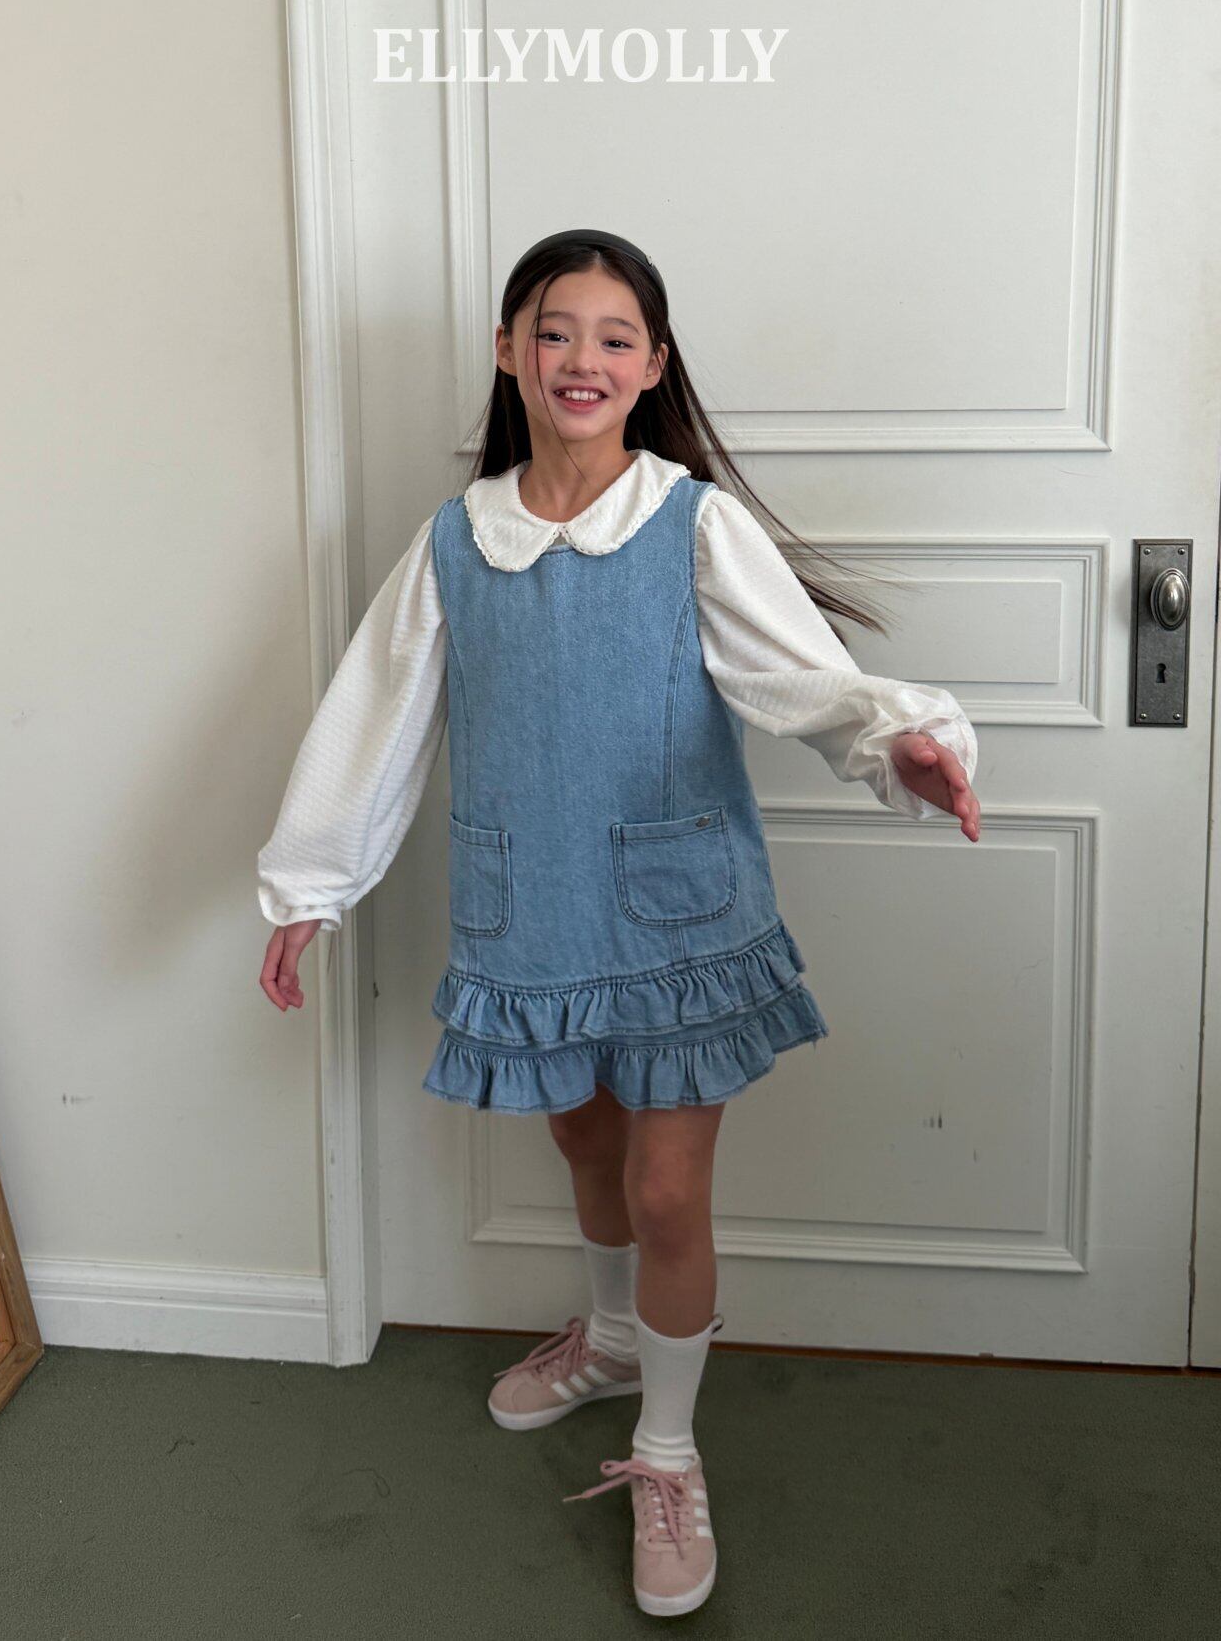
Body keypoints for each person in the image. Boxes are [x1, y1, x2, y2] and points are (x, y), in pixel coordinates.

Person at [257, 227, 981, 1618]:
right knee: (586, 1150)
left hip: (679, 913)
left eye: (613, 337)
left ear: (652, 366)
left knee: (664, 1191)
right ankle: (608, 1337)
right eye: (554, 330)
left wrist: (900, 746)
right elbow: (375, 720)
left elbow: (805, 680)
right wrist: (311, 883)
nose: (580, 358)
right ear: (508, 350)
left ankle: (667, 1451)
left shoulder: (689, 524)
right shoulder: (456, 542)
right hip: (527, 912)